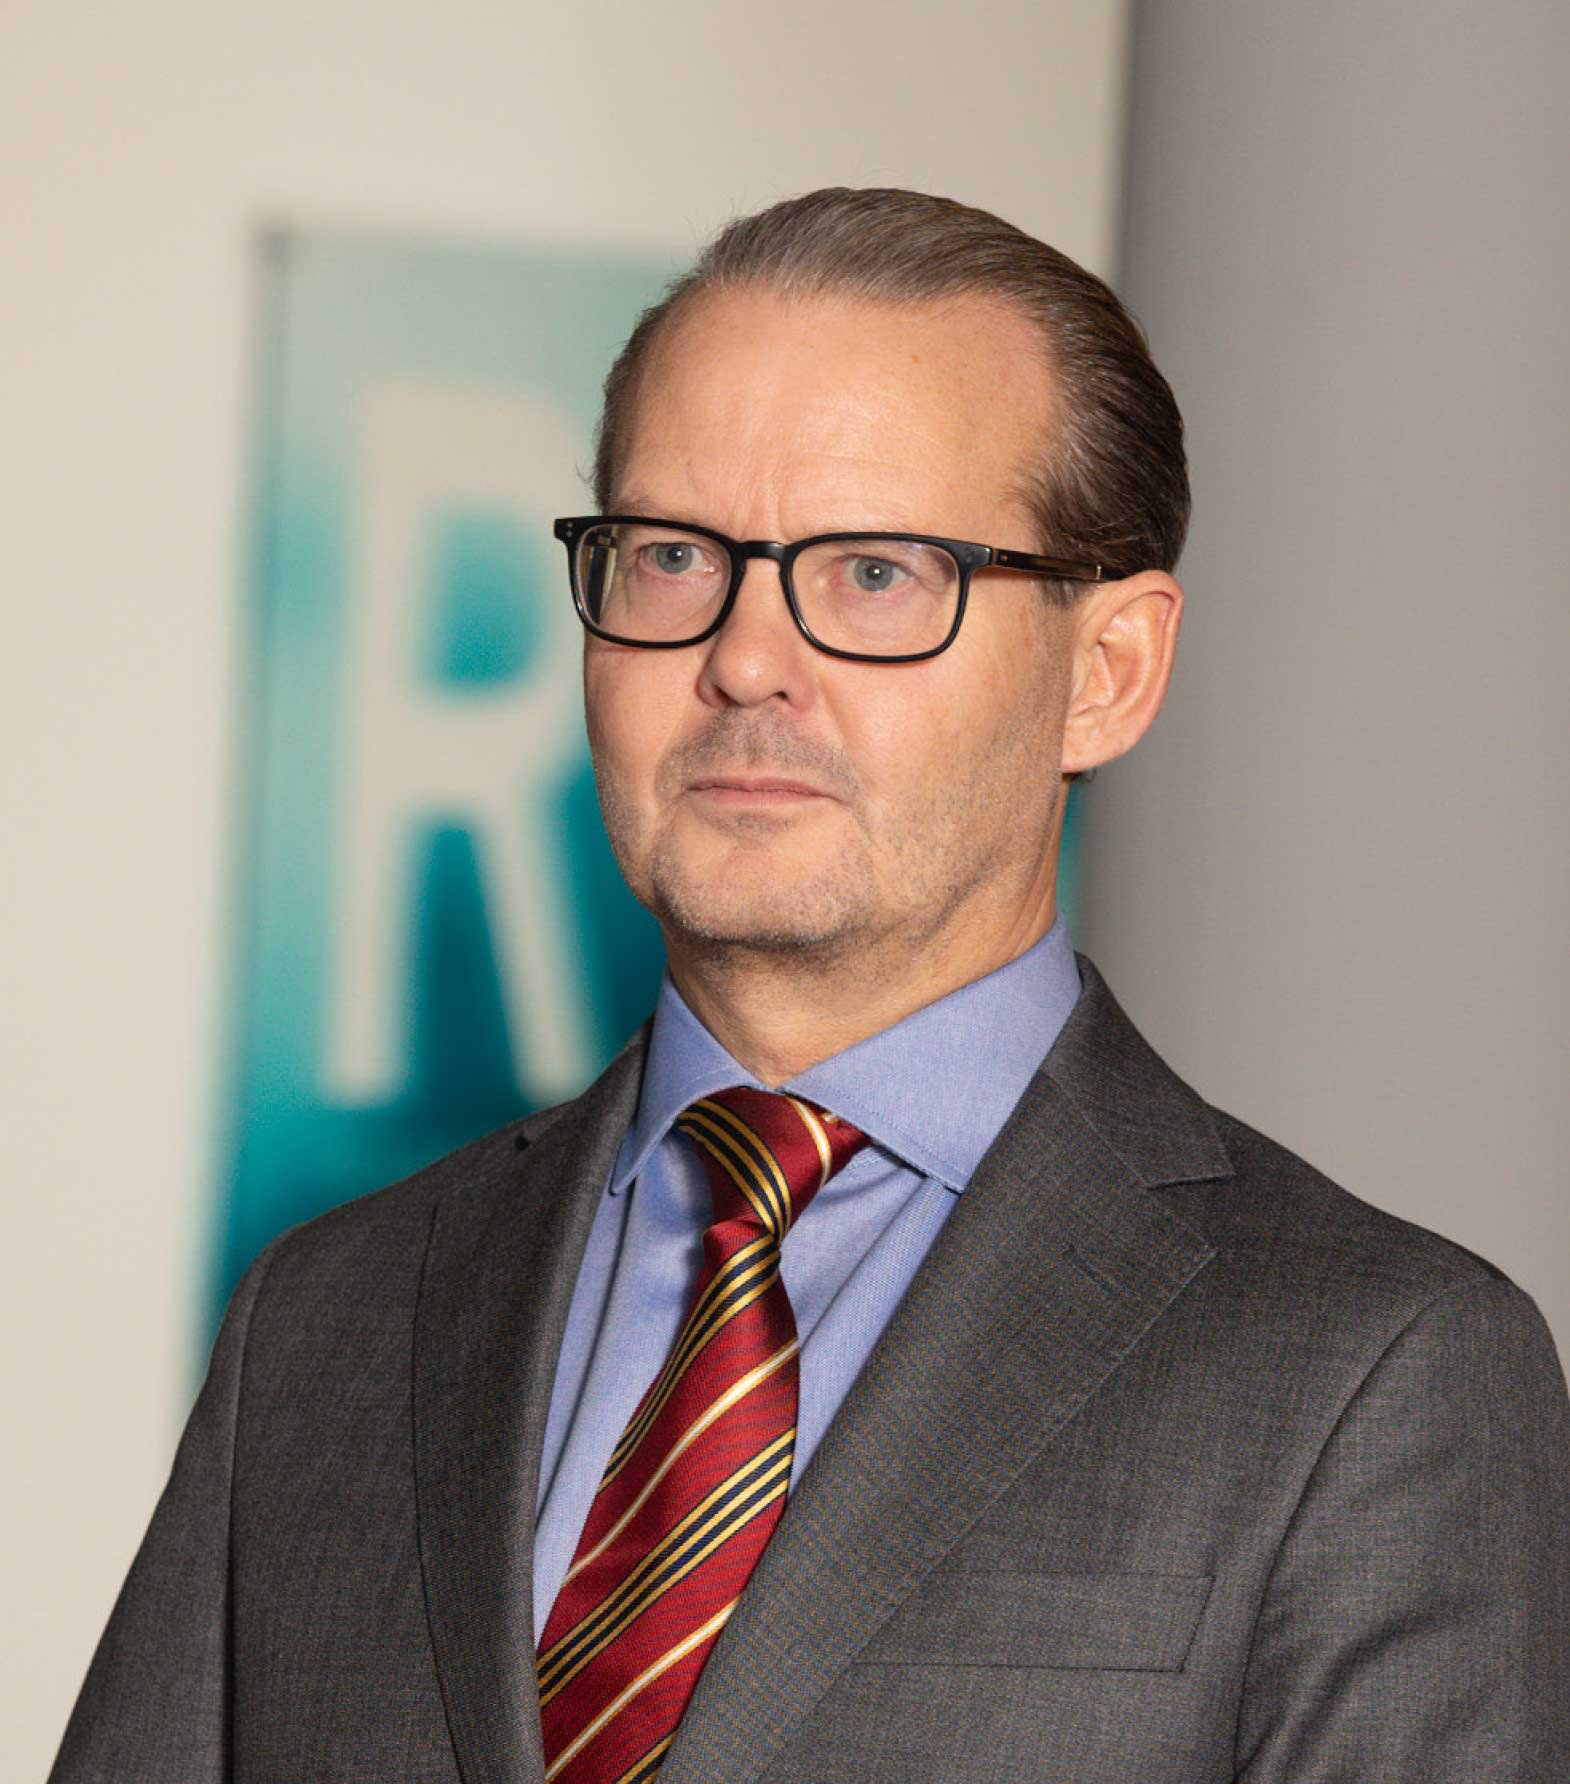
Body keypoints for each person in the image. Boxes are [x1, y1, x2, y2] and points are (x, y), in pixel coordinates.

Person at [53, 187, 1570, 1783]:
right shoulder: (330, 1317)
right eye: (670, 556)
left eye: (873, 575)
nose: (743, 660)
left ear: (1105, 673)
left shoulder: (1371, 1368)